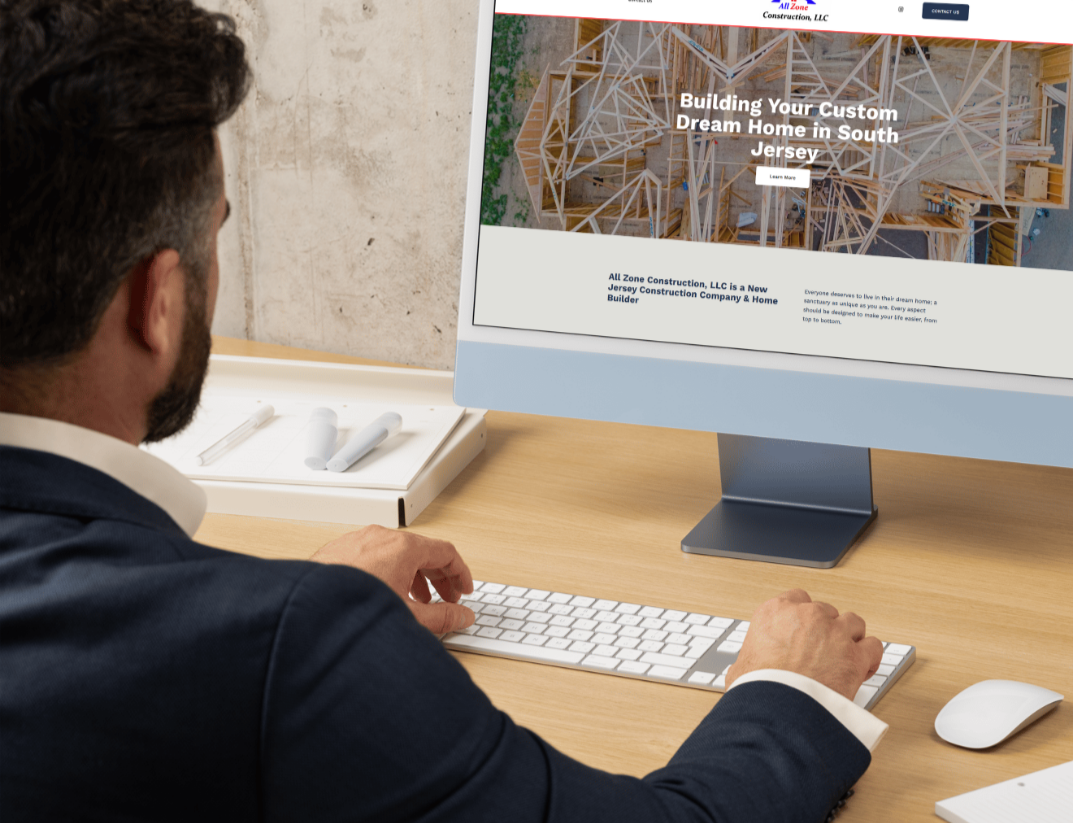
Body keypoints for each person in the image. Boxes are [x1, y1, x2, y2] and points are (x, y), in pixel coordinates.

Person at [0, 1, 888, 820]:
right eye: (215, 230)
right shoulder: (291, 644)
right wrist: (785, 694)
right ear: (157, 301)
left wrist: (270, 614)